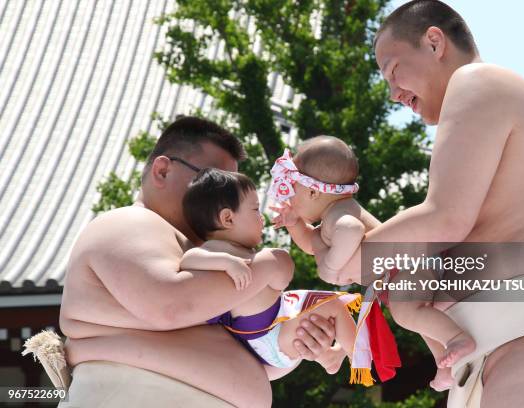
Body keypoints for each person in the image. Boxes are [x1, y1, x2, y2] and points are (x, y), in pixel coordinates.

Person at [331, 1, 524, 407]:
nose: (393, 94)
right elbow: (441, 238)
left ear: (433, 41)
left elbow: (446, 219)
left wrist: (352, 254)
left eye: (393, 70)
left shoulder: (478, 80)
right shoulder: (473, 118)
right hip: (506, 350)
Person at [54, 117, 342, 407]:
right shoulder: (128, 222)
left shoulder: (211, 255)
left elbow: (248, 344)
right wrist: (266, 268)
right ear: (162, 170)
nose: (220, 195)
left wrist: (294, 340)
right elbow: (169, 304)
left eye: (229, 187)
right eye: (210, 179)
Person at [268, 135, 474, 390]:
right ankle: (445, 364)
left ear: (312, 191)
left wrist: (332, 267)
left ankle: (457, 338)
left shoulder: (339, 215)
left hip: (405, 267)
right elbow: (311, 244)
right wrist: (294, 224)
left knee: (408, 313)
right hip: (395, 276)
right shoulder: (327, 220)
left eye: (292, 191)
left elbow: (351, 230)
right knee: (418, 320)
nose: (289, 199)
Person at [179, 167, 361, 379]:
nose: (262, 217)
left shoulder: (244, 252)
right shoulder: (215, 248)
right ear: (228, 218)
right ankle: (357, 353)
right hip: (269, 335)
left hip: (272, 330)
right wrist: (227, 262)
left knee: (325, 310)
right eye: (255, 210)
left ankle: (329, 356)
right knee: (335, 307)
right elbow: (188, 259)